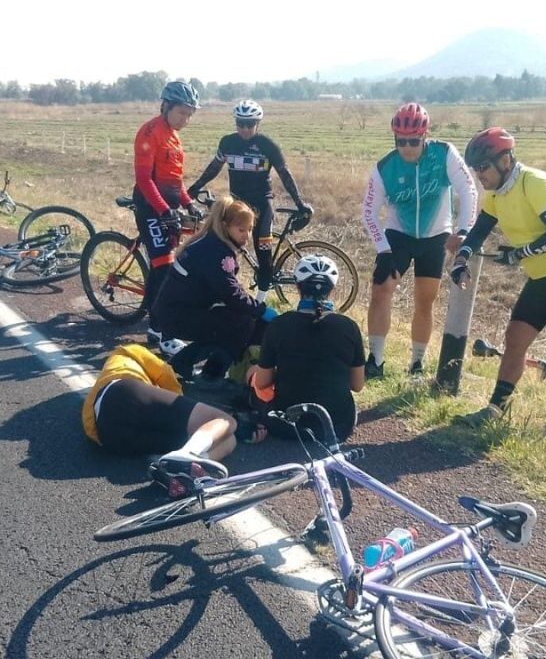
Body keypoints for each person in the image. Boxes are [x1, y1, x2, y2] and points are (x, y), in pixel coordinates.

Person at [449, 127, 546, 431]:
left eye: (483, 167)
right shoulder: (497, 194)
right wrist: (462, 258)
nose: (480, 176)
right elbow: (479, 231)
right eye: (475, 169)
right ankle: (495, 408)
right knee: (515, 338)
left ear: (504, 160)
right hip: (542, 275)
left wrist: (519, 254)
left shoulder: (536, 183)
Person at [361, 103, 477, 377]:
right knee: (381, 290)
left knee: (425, 300)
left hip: (436, 237)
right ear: (395, 139)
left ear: (425, 136)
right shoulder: (384, 168)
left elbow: (468, 190)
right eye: (401, 141)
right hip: (398, 235)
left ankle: (416, 363)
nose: (408, 147)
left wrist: (463, 231)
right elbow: (368, 213)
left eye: (414, 141)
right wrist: (383, 248)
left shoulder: (444, 154)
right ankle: (375, 359)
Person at [82, 344, 266, 498]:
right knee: (226, 421)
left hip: (107, 437)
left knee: (229, 439)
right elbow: (166, 375)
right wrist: (187, 411)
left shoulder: (105, 377)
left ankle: (185, 471)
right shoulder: (128, 351)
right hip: (124, 392)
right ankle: (188, 455)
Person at [187, 100, 312, 301]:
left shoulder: (267, 145)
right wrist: (195, 187)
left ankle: (260, 302)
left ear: (258, 124)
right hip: (237, 203)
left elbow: (285, 174)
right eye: (240, 123)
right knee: (221, 247)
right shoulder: (227, 142)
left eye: (250, 124)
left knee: (263, 254)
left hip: (262, 203)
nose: (244, 128)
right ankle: (225, 293)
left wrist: (299, 203)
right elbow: (214, 168)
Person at [151, 196, 278, 380]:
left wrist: (255, 308)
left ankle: (185, 366)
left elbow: (229, 290)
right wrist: (261, 309)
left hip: (174, 311)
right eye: (241, 230)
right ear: (226, 227)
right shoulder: (217, 253)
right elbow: (231, 293)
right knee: (241, 324)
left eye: (250, 230)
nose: (247, 235)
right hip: (178, 315)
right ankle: (209, 375)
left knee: (232, 322)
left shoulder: (210, 243)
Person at [249, 255, 365, 443]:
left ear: (297, 286)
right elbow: (357, 385)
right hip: (338, 426)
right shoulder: (349, 327)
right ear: (332, 289)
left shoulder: (279, 325)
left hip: (287, 426)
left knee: (253, 374)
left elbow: (262, 383)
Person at [134, 80, 202, 350]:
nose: (185, 119)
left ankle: (155, 325)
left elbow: (175, 181)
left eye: (189, 115)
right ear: (166, 106)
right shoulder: (150, 132)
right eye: (181, 113)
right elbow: (143, 180)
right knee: (164, 266)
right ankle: (161, 331)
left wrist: (188, 203)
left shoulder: (174, 135)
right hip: (151, 207)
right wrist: (164, 210)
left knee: (167, 267)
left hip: (169, 209)